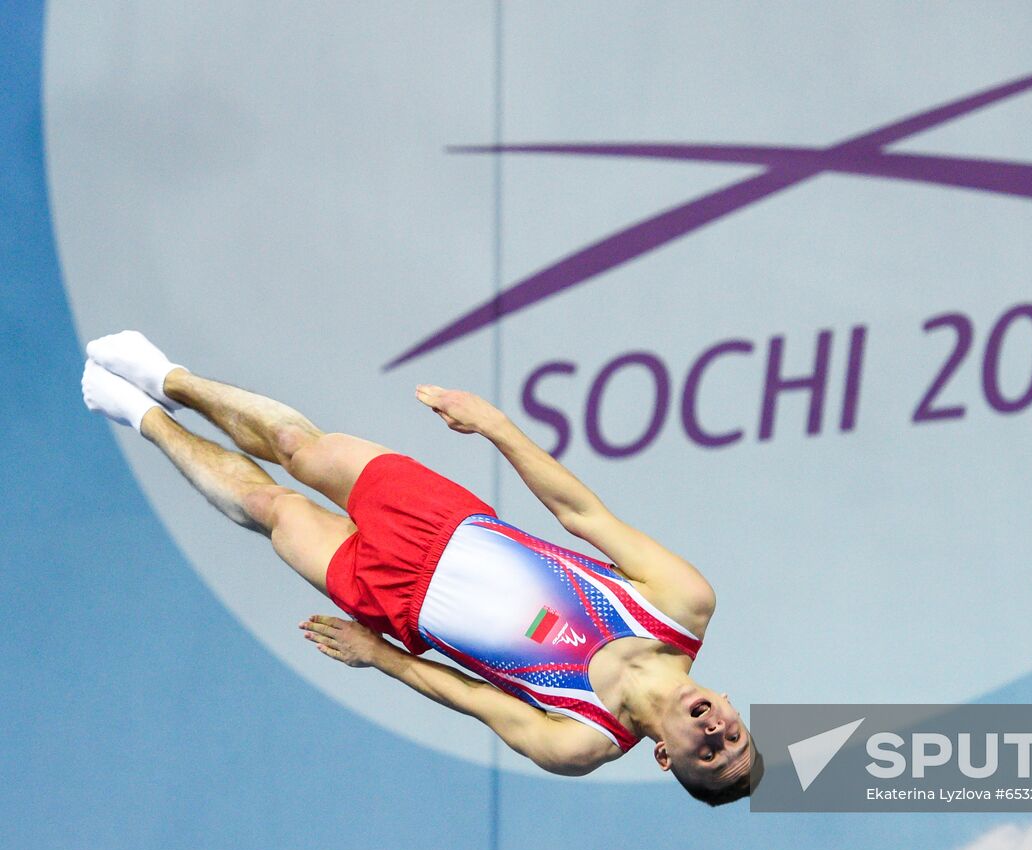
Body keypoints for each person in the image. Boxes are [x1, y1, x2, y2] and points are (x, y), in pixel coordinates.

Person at [81, 330, 760, 805]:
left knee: (272, 507)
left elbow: (468, 696)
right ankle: (167, 380)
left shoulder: (581, 743)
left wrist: (378, 656)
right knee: (297, 446)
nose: (715, 732)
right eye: (733, 734)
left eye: (709, 753)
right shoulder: (683, 602)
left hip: (402, 605)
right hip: (444, 521)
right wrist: (497, 426)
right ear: (730, 705)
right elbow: (581, 512)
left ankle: (145, 418)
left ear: (666, 757)